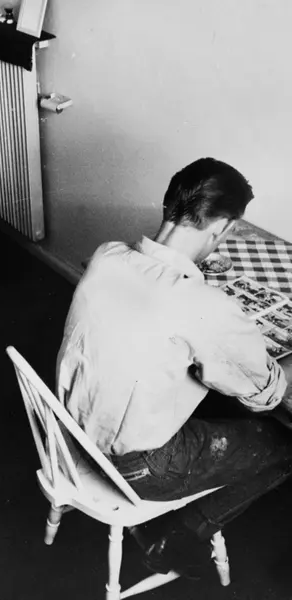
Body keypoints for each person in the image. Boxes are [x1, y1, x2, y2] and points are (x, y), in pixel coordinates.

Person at [56, 157, 292, 579]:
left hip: (73, 429)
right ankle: (179, 536)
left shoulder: (107, 255)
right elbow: (266, 395)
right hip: (138, 465)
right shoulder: (201, 306)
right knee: (283, 443)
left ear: (170, 205)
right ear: (222, 228)